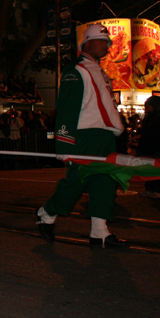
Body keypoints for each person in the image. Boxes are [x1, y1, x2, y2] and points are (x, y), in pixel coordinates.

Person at [35, 24, 128, 248]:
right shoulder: (75, 69)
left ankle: (100, 232)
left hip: (104, 137)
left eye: (107, 42)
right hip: (84, 135)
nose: (106, 45)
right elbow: (67, 107)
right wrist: (64, 142)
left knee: (105, 182)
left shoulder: (98, 70)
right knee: (76, 182)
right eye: (101, 41)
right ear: (86, 43)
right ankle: (46, 213)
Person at [136, 96, 160, 197]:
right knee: (148, 169)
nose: (145, 107)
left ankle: (156, 189)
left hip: (156, 148)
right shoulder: (148, 118)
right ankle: (149, 188)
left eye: (148, 105)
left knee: (156, 169)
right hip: (148, 147)